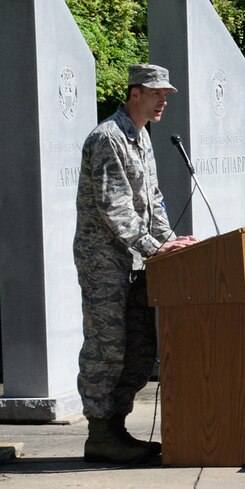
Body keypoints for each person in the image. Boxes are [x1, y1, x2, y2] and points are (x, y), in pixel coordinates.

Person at [73, 65, 199, 464]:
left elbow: (153, 198)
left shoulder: (141, 136)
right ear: (134, 93)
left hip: (137, 261)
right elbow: (115, 206)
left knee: (139, 349)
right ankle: (100, 432)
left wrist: (168, 243)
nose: (163, 100)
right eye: (156, 93)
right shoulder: (108, 137)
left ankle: (117, 428)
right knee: (106, 348)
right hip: (105, 261)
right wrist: (153, 248)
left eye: (166, 94)